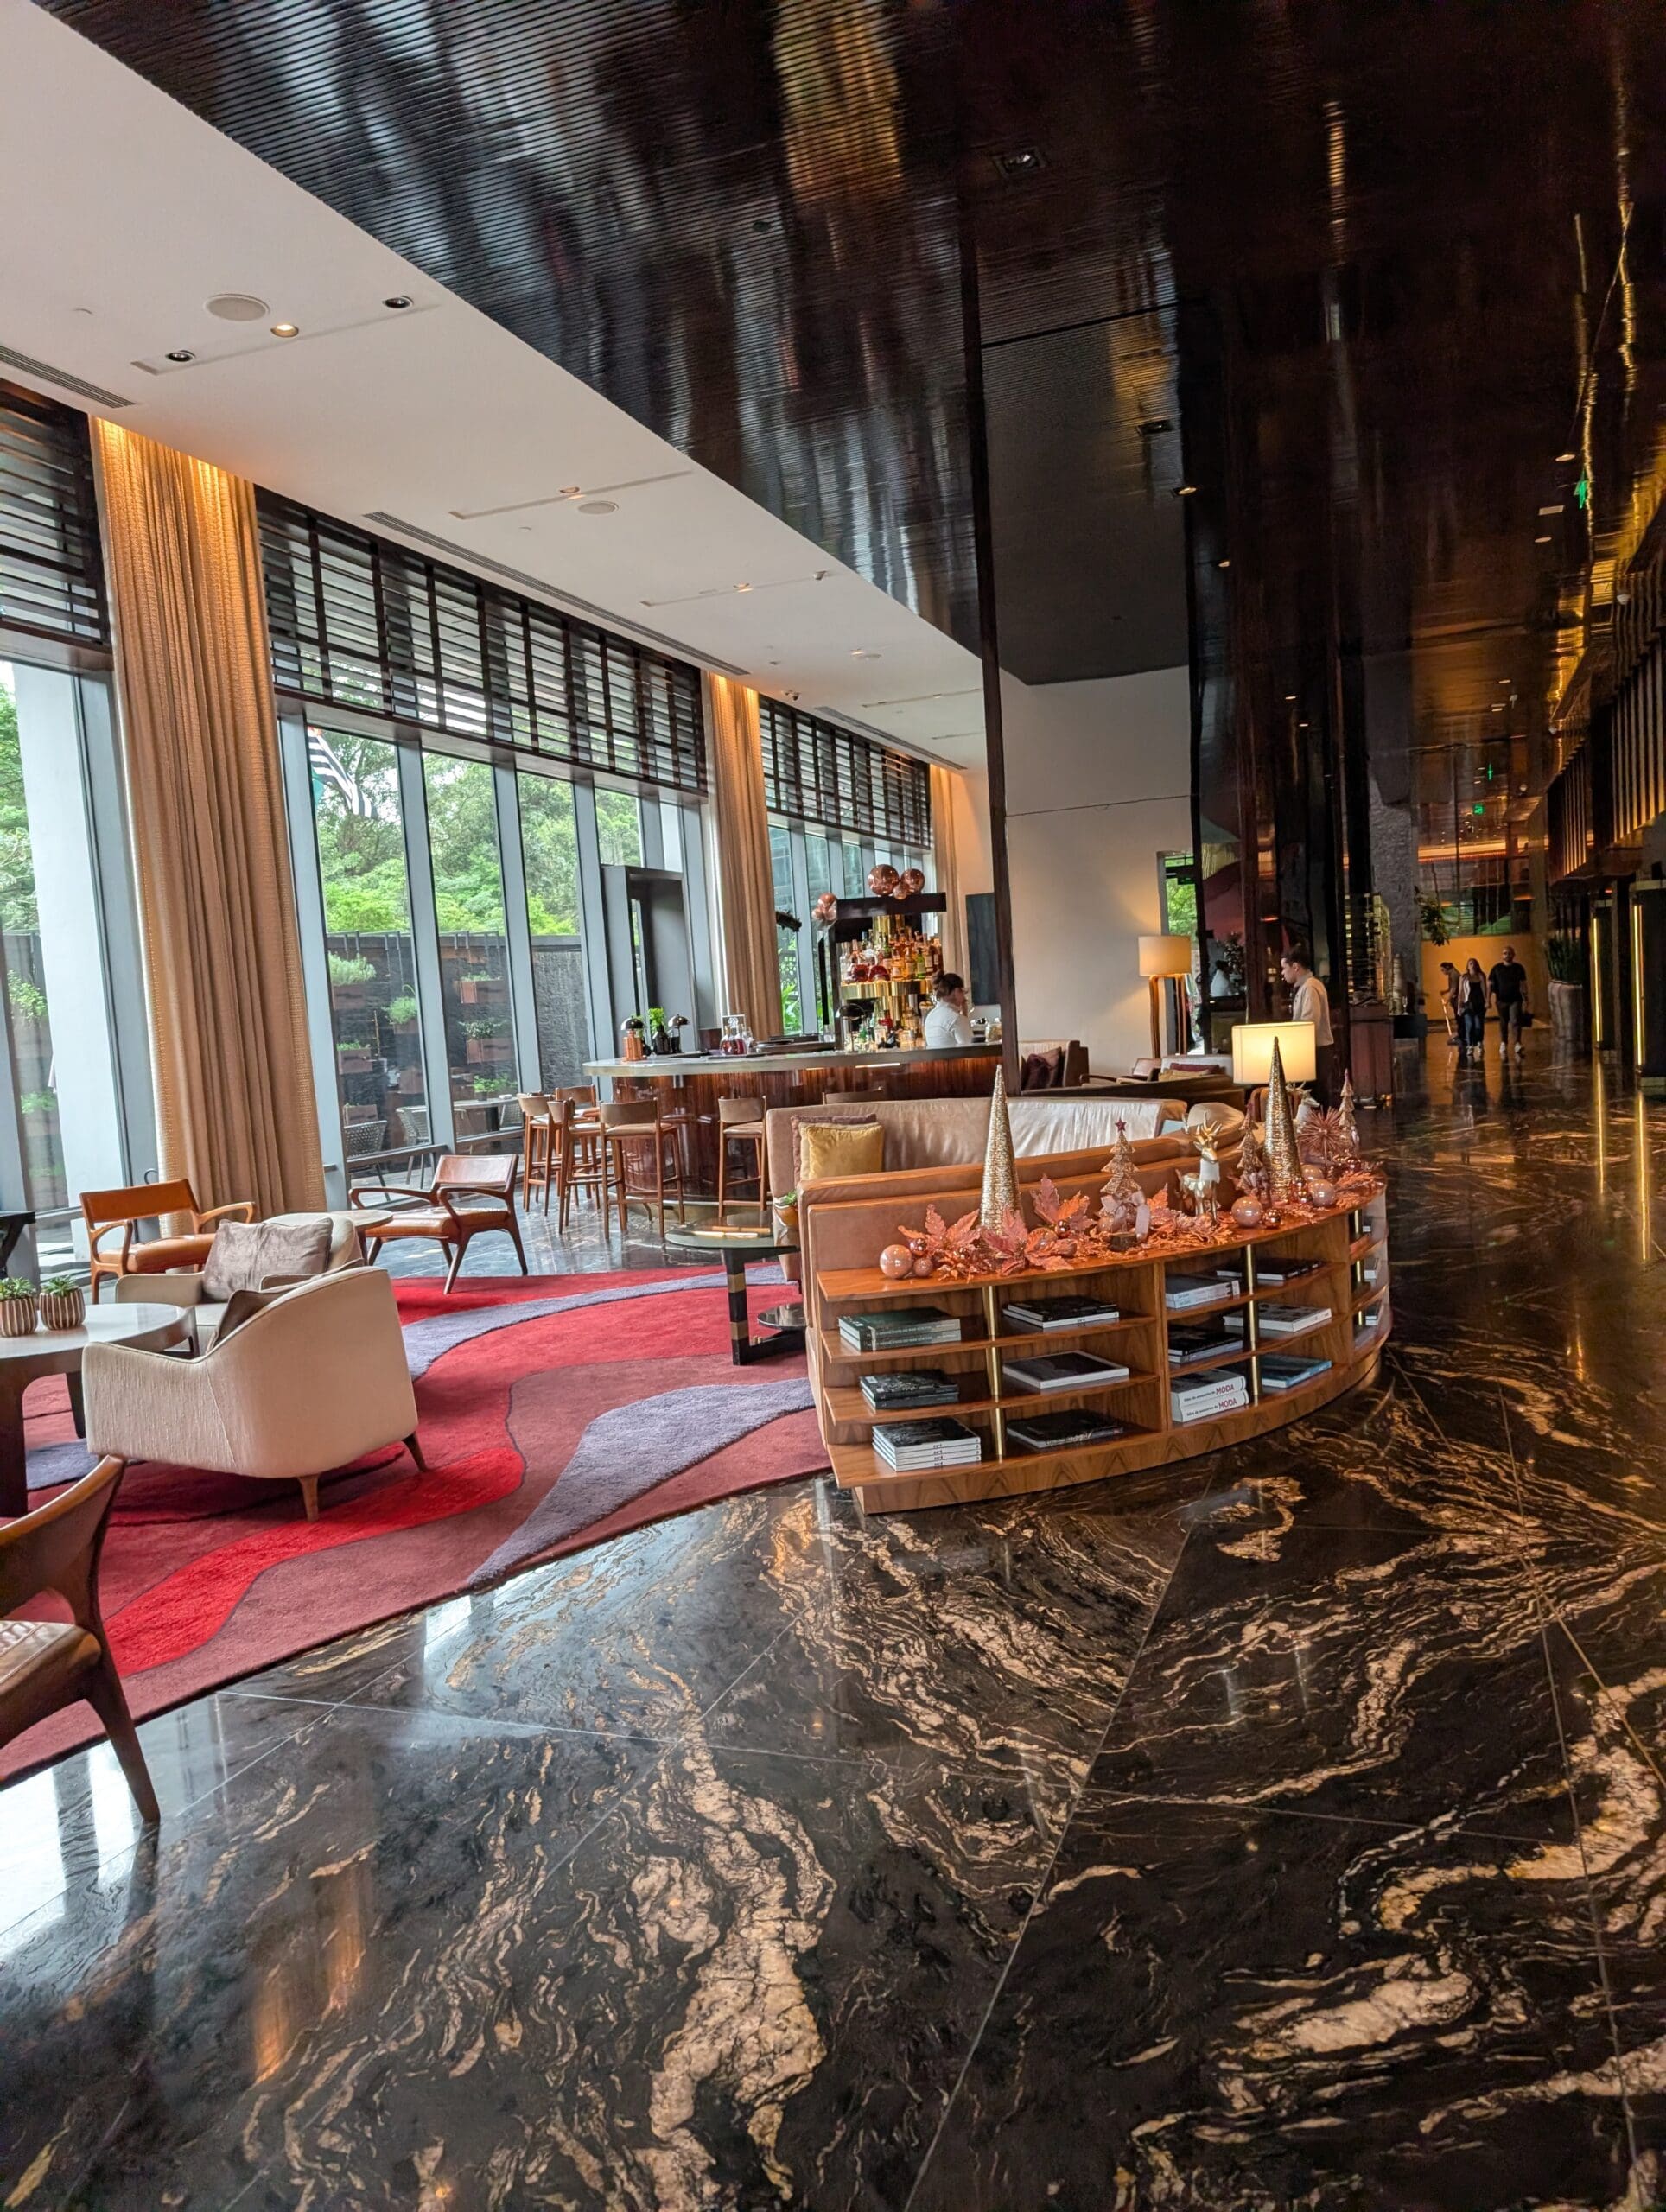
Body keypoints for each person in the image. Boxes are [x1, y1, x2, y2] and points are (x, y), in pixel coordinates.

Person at [1279, 940, 1334, 1105]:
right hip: (1313, 1049)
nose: (1282, 973)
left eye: (1284, 968)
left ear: (1295, 967)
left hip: (1316, 1050)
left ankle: (1320, 1130)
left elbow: (1309, 1024)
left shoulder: (1310, 988)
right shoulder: (1307, 986)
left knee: (1314, 1097)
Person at [1488, 943, 1530, 1059]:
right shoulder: (1497, 969)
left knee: (1515, 1020)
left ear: (1513, 955)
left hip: (1515, 999)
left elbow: (1523, 984)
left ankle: (1517, 1043)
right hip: (1501, 1000)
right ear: (1502, 956)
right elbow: (1490, 984)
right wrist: (1488, 999)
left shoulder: (1519, 968)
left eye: (1509, 953)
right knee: (1503, 1022)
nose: (1507, 955)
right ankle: (1503, 1042)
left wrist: (1526, 998)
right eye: (1505, 953)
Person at [923, 970, 974, 1047]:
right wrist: (964, 1016)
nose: (964, 998)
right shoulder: (955, 1018)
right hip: (955, 1059)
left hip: (937, 1059)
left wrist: (964, 1013)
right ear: (956, 991)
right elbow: (970, 1049)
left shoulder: (930, 1016)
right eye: (963, 992)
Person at [1458, 957, 1488, 1062]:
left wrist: (1487, 1001)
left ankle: (1479, 1042)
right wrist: (1459, 1006)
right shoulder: (1464, 977)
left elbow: (1485, 989)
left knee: (1479, 1025)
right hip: (1467, 1004)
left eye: (1474, 963)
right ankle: (1470, 1045)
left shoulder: (1481, 975)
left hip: (1479, 1003)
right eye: (1470, 963)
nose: (1472, 965)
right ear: (1467, 966)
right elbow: (1461, 992)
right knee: (1469, 1025)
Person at [1437, 959, 1460, 1046]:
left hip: (1458, 1000)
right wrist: (1445, 991)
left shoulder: (1454, 975)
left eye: (1443, 970)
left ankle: (1462, 1036)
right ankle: (1460, 1035)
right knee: (1458, 1018)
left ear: (1447, 968)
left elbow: (1454, 989)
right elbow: (1451, 988)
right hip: (1455, 1000)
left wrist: (1447, 1000)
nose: (1443, 972)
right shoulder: (1451, 975)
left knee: (1459, 1018)